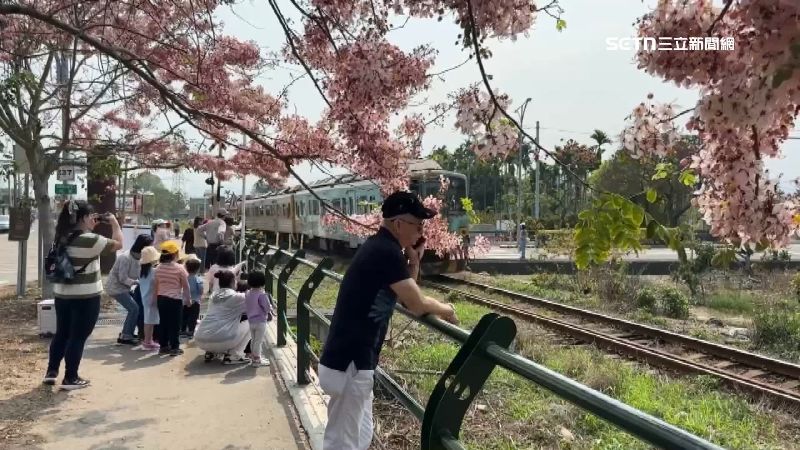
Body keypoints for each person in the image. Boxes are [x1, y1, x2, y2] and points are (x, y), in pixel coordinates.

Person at [318, 191, 458, 450]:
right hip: (350, 363)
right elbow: (417, 304)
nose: (421, 233)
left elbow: (407, 297)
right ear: (398, 224)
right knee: (342, 443)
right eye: (418, 226)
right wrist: (447, 309)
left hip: (351, 361)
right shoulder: (386, 252)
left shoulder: (381, 248)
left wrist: (413, 262)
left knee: (360, 436)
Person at [43, 200, 123, 390]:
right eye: (91, 216)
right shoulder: (90, 240)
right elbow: (118, 244)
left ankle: (51, 372)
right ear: (85, 217)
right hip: (85, 297)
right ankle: (71, 378)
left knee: (62, 333)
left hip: (62, 294)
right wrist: (114, 223)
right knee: (78, 336)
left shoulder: (61, 236)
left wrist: (89, 228)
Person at [193, 270, 252, 365]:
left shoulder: (213, 296)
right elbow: (256, 300)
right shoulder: (237, 297)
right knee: (252, 322)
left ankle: (211, 352)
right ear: (233, 282)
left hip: (200, 339)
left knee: (217, 323)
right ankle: (234, 355)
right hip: (223, 341)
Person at [105, 234, 153, 346]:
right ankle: (126, 336)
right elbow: (122, 278)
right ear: (143, 246)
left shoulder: (140, 257)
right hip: (116, 288)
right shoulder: (125, 258)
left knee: (135, 308)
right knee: (134, 308)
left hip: (125, 288)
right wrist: (136, 282)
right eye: (149, 246)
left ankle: (128, 332)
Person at [152, 241, 190, 356]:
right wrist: (188, 300)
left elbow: (156, 285)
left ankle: (163, 346)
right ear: (174, 255)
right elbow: (186, 286)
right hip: (175, 300)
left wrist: (154, 300)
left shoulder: (158, 268)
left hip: (161, 299)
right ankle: (174, 347)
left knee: (163, 323)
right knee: (175, 324)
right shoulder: (180, 268)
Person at [244, 271, 272, 367]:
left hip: (251, 320)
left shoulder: (247, 293)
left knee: (253, 339)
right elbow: (267, 307)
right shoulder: (262, 294)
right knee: (259, 341)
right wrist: (270, 309)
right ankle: (257, 359)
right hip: (260, 321)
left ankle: (254, 357)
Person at [138, 246, 161, 350]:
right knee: (150, 321)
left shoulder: (141, 271)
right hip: (152, 298)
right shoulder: (154, 271)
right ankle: (148, 341)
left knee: (148, 320)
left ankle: (148, 340)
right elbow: (156, 285)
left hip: (145, 297)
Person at [180, 257, 203, 338]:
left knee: (184, 315)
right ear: (197, 269)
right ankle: (190, 331)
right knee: (193, 317)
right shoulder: (198, 278)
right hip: (195, 301)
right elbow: (200, 290)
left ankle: (182, 330)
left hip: (184, 300)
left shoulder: (184, 277)